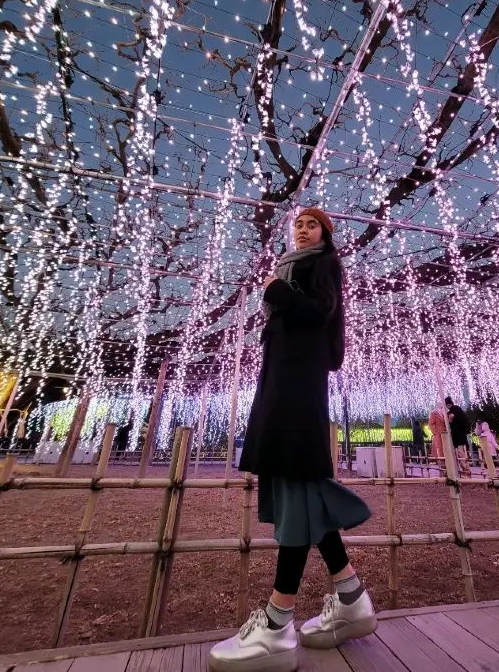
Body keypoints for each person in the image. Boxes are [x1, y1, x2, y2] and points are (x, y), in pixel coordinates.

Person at [209, 209, 375, 672]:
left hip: (297, 388)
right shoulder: (291, 265)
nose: (302, 231)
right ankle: (350, 595)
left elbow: (321, 312)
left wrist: (276, 290)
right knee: (298, 487)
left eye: (312, 225)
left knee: (299, 484)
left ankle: (278, 623)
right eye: (298, 225)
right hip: (284, 383)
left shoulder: (318, 265)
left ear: (324, 233)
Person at [445, 396, 472, 476]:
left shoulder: (455, 410)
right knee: (459, 454)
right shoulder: (451, 412)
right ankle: (464, 471)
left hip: (459, 436)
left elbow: (462, 420)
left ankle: (466, 471)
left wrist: (453, 420)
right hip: (456, 436)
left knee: (461, 454)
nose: (448, 405)